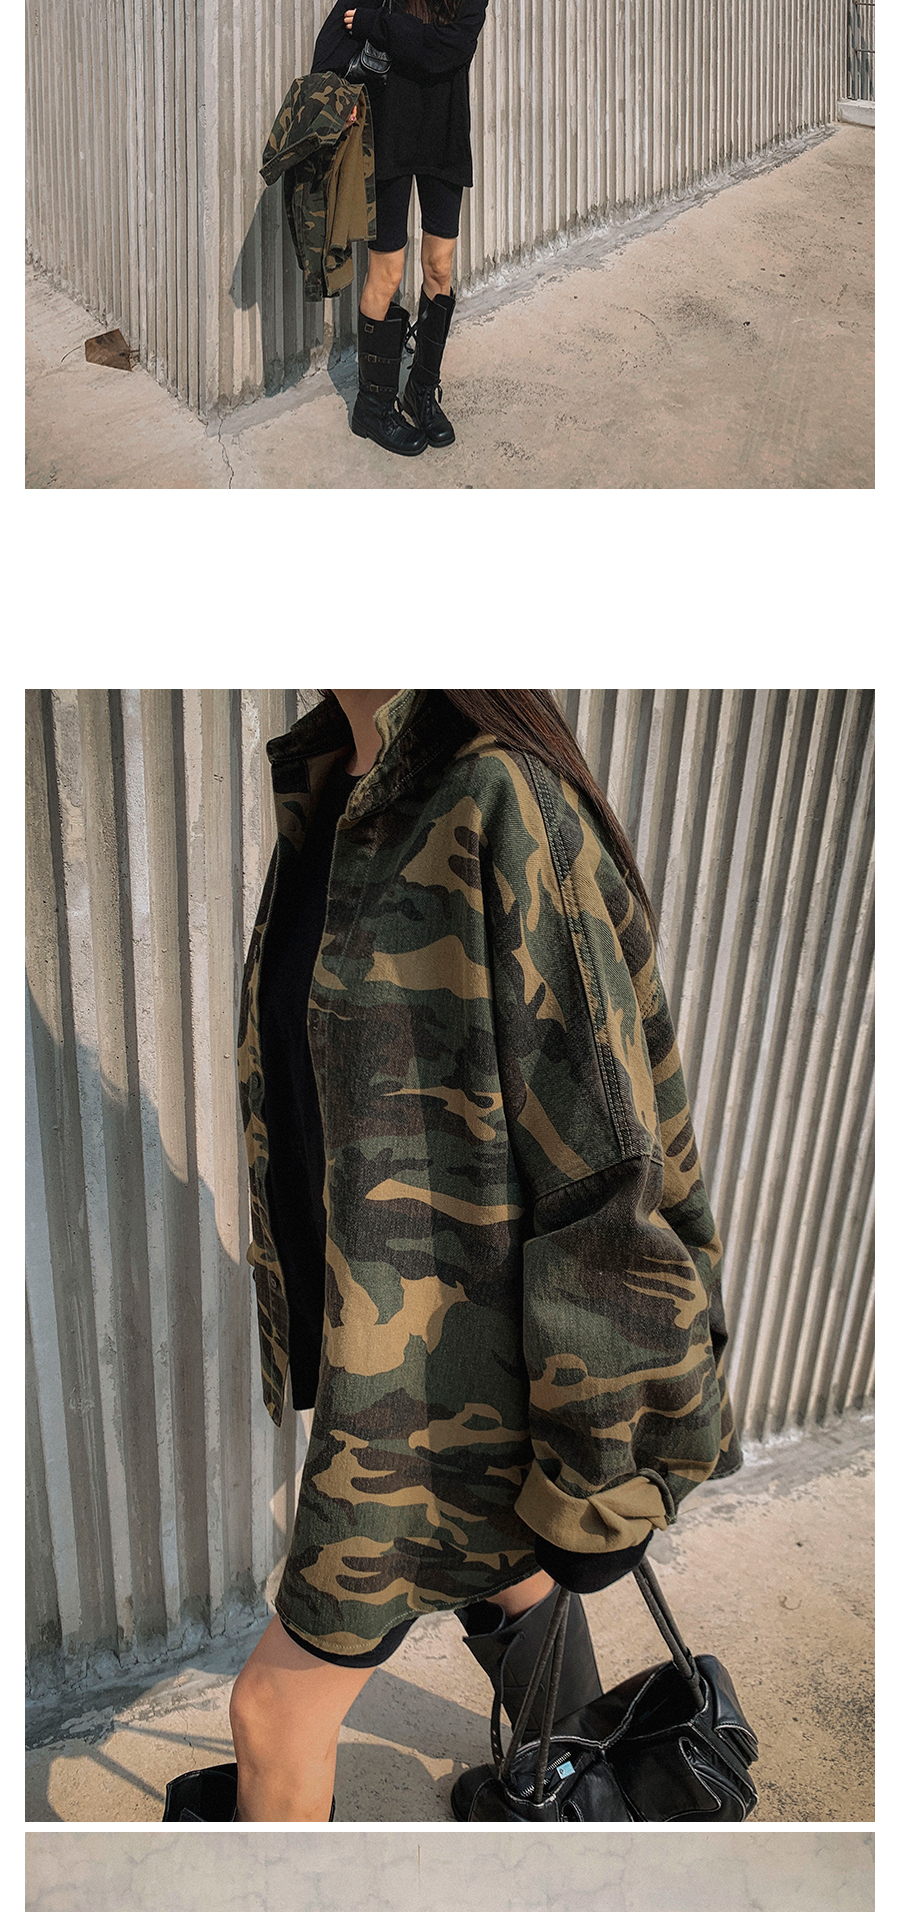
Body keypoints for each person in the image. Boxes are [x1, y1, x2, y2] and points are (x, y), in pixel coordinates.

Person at [161, 688, 740, 1823]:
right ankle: (577, 1810)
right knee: (508, 1575)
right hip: (394, 1357)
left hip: (441, 1394)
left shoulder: (496, 794)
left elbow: (607, 1169)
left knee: (274, 1714)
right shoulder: (336, 789)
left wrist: (608, 1470)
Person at [312, 0, 489, 457]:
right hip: (386, 144)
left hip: (443, 141)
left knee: (439, 268)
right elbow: (327, 50)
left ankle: (421, 391)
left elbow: (451, 52)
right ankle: (373, 406)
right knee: (386, 275)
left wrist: (380, 26)